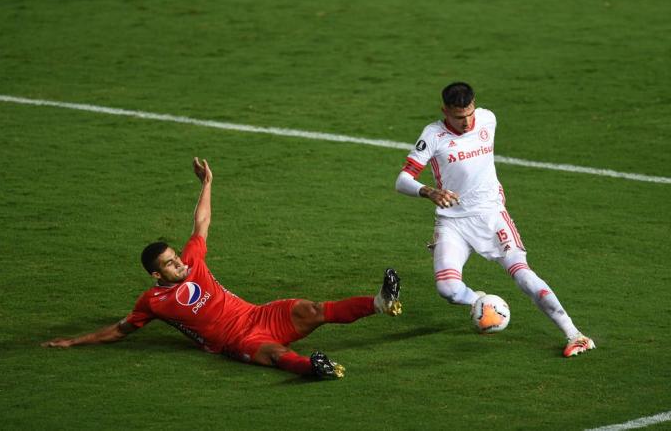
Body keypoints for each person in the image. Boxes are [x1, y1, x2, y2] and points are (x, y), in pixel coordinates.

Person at [43, 158, 402, 378]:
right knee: (275, 356)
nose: (179, 264)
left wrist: (208, 183)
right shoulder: (152, 302)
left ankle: (379, 303)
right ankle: (313, 367)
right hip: (237, 340)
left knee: (311, 309)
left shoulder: (193, 261)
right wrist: (74, 341)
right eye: (169, 264)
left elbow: (202, 223)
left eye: (176, 257)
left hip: (258, 316)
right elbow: (119, 332)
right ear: (157, 275)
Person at [394, 82, 595, 357]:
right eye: (457, 117)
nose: (465, 123)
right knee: (448, 290)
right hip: (452, 222)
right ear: (444, 111)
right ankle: (481, 301)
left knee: (524, 277)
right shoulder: (433, 135)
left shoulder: (488, 119)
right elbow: (402, 180)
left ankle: (575, 335)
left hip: (491, 217)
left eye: (468, 114)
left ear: (475, 105)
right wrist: (429, 191)